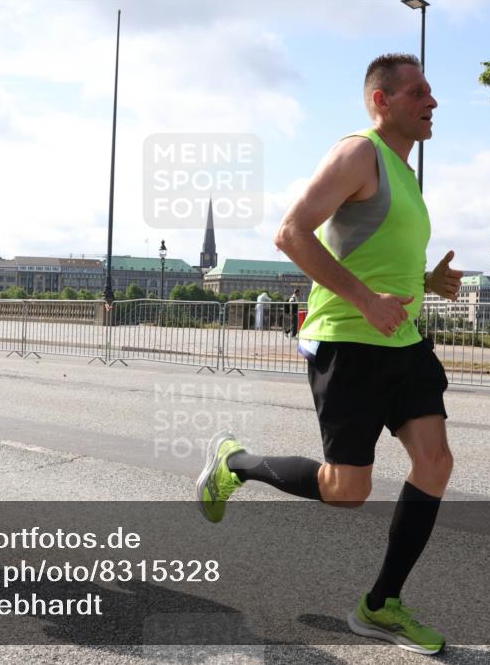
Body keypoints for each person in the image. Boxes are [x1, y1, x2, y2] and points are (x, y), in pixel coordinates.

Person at [196, 53, 462, 655]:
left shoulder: (405, 174)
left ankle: (380, 606)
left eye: (431, 91)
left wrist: (427, 282)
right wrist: (367, 300)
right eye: (418, 92)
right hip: (349, 341)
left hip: (404, 344)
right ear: (381, 101)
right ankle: (234, 463)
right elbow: (290, 232)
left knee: (436, 462)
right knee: (348, 490)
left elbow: (375, 257)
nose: (432, 102)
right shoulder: (357, 154)